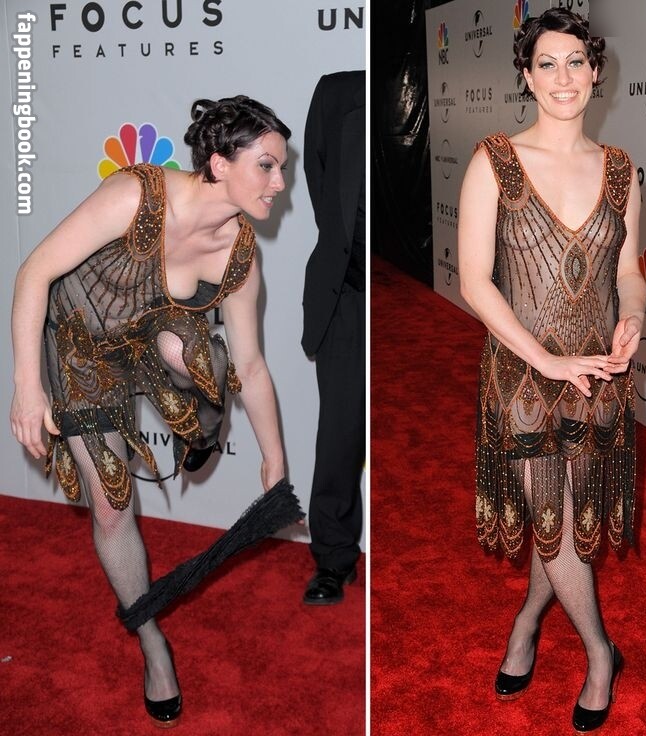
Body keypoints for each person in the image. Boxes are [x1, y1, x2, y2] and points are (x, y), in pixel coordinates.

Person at [10, 95, 291, 727]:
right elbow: (33, 273)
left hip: (152, 338)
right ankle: (150, 638)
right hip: (81, 347)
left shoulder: (238, 253)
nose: (280, 183)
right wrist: (28, 386)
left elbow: (250, 367)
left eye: (282, 168)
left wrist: (274, 460)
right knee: (111, 502)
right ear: (219, 164)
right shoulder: (137, 196)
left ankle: (203, 428)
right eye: (267, 166)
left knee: (190, 349)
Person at [458, 9, 646, 733]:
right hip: (523, 378)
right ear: (526, 76)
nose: (563, 77)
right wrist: (544, 359)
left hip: (597, 377)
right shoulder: (494, 161)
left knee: (556, 519)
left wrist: (633, 316)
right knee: (557, 521)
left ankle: (525, 625)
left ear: (595, 73)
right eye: (547, 64)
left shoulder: (621, 170)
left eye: (576, 62)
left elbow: (628, 272)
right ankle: (600, 654)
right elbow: (475, 281)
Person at [301, 70, 365, 605]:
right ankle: (333, 558)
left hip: (397, 298)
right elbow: (319, 184)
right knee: (340, 434)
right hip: (347, 296)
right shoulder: (338, 93)